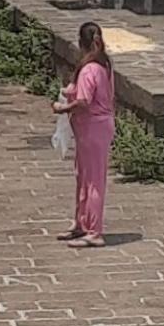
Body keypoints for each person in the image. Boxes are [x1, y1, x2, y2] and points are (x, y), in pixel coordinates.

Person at [52, 21, 115, 248]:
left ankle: (94, 230)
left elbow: (85, 101)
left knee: (93, 180)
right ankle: (81, 222)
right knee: (83, 176)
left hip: (93, 126)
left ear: (81, 43)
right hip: (93, 127)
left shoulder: (90, 69)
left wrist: (63, 108)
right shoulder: (104, 64)